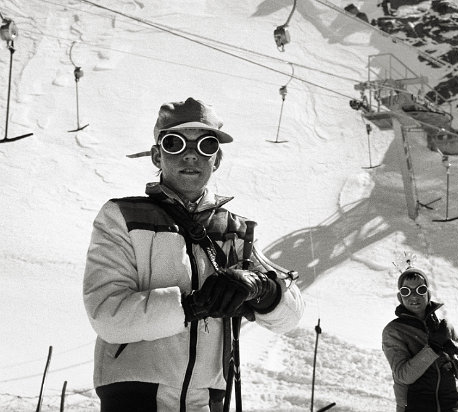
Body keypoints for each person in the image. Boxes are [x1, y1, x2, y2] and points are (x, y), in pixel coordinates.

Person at [83, 97, 305, 412]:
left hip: (208, 399)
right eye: (175, 143)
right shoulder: (121, 216)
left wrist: (260, 287)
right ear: (157, 156)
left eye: (206, 145)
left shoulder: (234, 230)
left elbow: (290, 315)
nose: (191, 154)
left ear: (217, 159)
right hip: (136, 396)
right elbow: (107, 314)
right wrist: (191, 307)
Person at [382, 267, 458, 412]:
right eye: (406, 291)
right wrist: (432, 349)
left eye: (420, 290)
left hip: (449, 407)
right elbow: (403, 376)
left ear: (428, 294)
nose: (414, 296)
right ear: (400, 297)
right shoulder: (394, 331)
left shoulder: (444, 328)